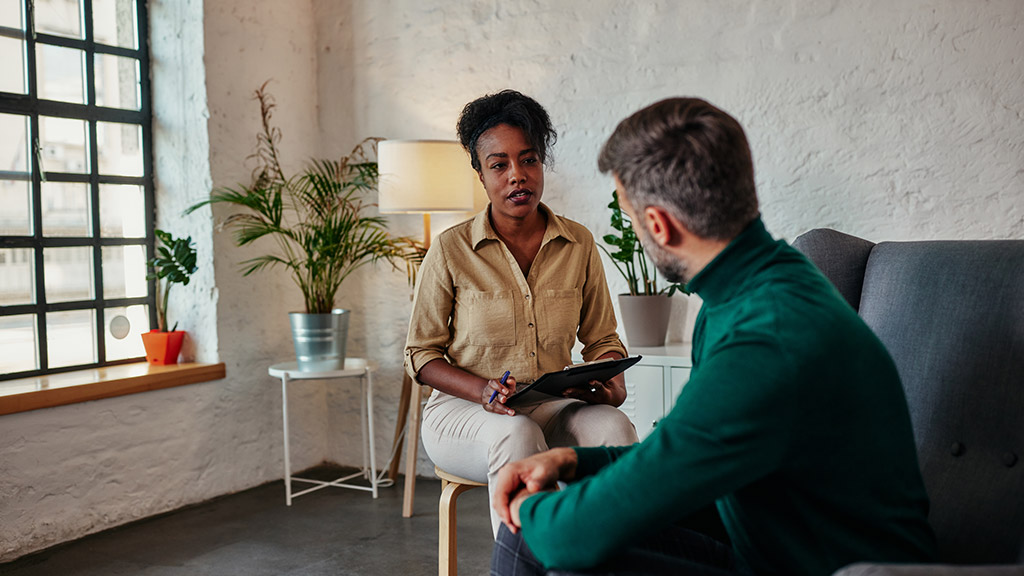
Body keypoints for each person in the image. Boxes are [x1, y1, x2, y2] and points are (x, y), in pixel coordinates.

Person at [490, 98, 937, 575]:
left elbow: (573, 535)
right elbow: (687, 456)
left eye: (631, 216)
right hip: (770, 542)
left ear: (659, 224)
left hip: (826, 568)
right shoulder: (757, 285)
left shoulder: (764, 339)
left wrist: (523, 509)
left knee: (537, 537)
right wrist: (571, 462)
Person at [404, 90, 639, 535]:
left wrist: (609, 380)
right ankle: (526, 564)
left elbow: (603, 339)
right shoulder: (451, 249)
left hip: (549, 404)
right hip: (462, 413)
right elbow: (421, 354)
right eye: (499, 165)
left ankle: (610, 559)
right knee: (516, 434)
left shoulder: (578, 244)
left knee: (614, 426)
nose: (517, 176)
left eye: (528, 160)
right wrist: (482, 391)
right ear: (480, 173)